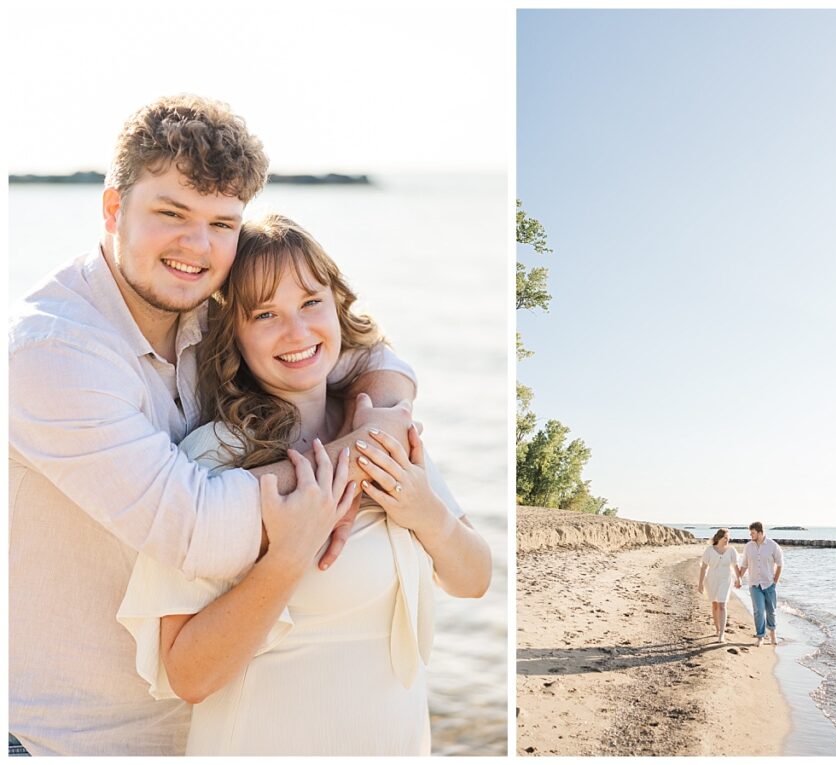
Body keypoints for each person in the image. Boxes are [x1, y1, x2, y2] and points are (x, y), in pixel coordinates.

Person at [8, 95, 419, 756]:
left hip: (218, 733)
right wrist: (360, 456)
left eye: (222, 224)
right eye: (171, 214)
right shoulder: (51, 351)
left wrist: (388, 408)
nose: (197, 248)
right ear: (114, 209)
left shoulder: (209, 309)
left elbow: (365, 351)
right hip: (74, 740)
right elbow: (198, 528)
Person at [116, 214, 492, 755]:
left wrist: (424, 511)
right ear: (233, 336)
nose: (297, 332)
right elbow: (188, 675)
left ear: (338, 308)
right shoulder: (214, 457)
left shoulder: (380, 425)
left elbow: (473, 579)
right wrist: (286, 557)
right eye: (265, 314)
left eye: (311, 303)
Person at [736, 521, 784, 647]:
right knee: (758, 611)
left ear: (760, 532)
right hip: (754, 585)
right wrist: (738, 578)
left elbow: (780, 564)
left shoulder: (773, 546)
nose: (750, 535)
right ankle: (760, 636)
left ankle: (772, 634)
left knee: (771, 611)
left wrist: (775, 582)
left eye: (753, 533)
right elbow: (744, 565)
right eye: (750, 533)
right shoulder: (748, 547)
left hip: (769, 584)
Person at [696, 528, 742, 643]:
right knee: (715, 605)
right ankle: (717, 629)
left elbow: (735, 566)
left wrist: (739, 578)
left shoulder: (732, 550)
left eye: (728, 538)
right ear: (719, 538)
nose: (727, 540)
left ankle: (722, 634)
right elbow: (703, 567)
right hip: (711, 579)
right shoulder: (710, 550)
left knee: (722, 604)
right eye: (725, 538)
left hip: (725, 579)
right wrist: (700, 583)